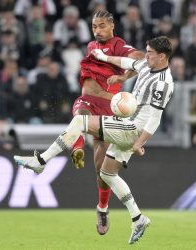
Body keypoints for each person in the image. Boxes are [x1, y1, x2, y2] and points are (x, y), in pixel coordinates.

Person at [14, 36, 175, 244]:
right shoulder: (146, 64)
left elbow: (155, 118)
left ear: (161, 57)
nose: (146, 55)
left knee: (81, 121)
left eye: (150, 52)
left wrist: (139, 143)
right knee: (107, 174)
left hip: (132, 130)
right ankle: (138, 218)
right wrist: (105, 58)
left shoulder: (163, 84)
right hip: (128, 125)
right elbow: (126, 63)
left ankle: (41, 161)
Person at [69, 10, 144, 235]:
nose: (97, 30)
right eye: (94, 26)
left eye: (102, 26)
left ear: (112, 25)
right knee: (79, 113)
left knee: (102, 171)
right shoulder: (92, 46)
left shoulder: (118, 45)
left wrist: (124, 76)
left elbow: (140, 58)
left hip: (109, 109)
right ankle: (77, 148)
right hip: (88, 101)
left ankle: (102, 207)